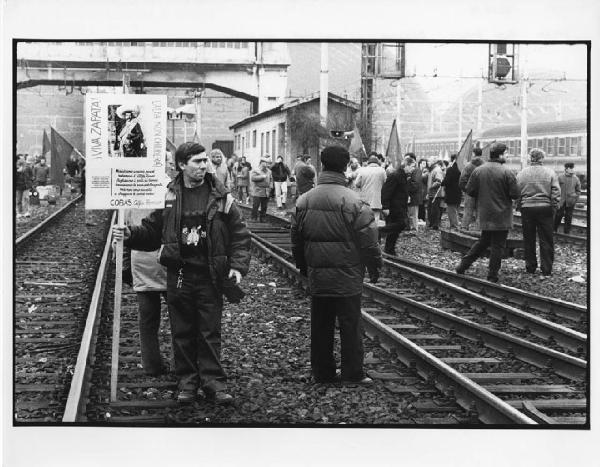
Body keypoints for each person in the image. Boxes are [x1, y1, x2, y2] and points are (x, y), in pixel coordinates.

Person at [112, 142, 251, 404]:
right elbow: (153, 232)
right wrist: (130, 235)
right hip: (179, 275)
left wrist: (237, 266)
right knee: (182, 331)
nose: (204, 165)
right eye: (197, 161)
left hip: (210, 275)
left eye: (205, 161)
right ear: (182, 165)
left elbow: (240, 234)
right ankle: (187, 381)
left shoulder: (221, 197)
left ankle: (213, 382)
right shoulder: (170, 196)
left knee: (210, 331)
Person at [291, 145, 382, 385]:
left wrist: (304, 268)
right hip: (349, 276)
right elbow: (369, 243)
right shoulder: (354, 202)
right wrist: (374, 268)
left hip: (318, 276)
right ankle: (353, 372)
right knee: (351, 325)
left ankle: (322, 372)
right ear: (345, 167)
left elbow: (297, 242)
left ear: (321, 164)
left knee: (320, 324)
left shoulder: (304, 200)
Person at [455, 143, 520, 283]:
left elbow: (470, 190)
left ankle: (463, 265)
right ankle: (492, 275)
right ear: (501, 155)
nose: (507, 156)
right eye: (506, 153)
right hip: (502, 215)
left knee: (483, 241)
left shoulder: (479, 171)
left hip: (485, 213)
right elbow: (515, 194)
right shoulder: (507, 172)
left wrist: (483, 196)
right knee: (498, 245)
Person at [516, 149, 561, 276]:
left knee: (529, 238)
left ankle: (530, 267)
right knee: (546, 239)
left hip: (527, 208)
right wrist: (554, 207)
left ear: (530, 158)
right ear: (542, 158)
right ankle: (546, 269)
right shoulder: (550, 172)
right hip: (545, 208)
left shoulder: (522, 173)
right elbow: (556, 192)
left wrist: (520, 205)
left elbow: (516, 192)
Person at [380, 156, 409, 255]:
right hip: (394, 208)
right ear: (406, 166)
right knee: (401, 224)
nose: (414, 169)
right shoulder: (395, 175)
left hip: (399, 207)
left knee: (394, 232)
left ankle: (389, 249)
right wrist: (385, 206)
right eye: (413, 166)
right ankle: (379, 231)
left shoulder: (403, 176)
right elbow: (386, 191)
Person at [355, 155, 387, 225]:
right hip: (377, 201)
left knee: (365, 222)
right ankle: (375, 235)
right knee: (376, 221)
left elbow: (357, 184)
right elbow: (386, 183)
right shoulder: (382, 170)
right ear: (377, 163)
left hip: (365, 201)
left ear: (368, 163)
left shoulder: (363, 170)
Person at [459, 147, 484, 231]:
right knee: (480, 212)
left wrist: (466, 190)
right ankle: (478, 230)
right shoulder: (485, 166)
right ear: (481, 154)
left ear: (473, 154)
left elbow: (462, 180)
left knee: (468, 211)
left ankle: (464, 228)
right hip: (481, 193)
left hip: (470, 193)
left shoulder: (468, 166)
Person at [554, 162, 581, 234]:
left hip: (570, 201)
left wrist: (575, 199)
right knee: (558, 215)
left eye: (571, 168)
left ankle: (566, 232)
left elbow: (578, 190)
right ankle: (554, 229)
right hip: (561, 201)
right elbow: (555, 189)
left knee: (568, 217)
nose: (570, 169)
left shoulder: (576, 179)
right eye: (569, 168)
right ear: (565, 169)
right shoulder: (560, 177)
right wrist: (556, 199)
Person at [442, 154, 462, 229]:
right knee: (455, 210)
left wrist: (442, 182)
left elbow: (447, 181)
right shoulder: (459, 169)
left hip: (451, 194)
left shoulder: (450, 169)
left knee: (451, 211)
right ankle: (454, 224)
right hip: (458, 193)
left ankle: (454, 225)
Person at [250, 156, 273, 222]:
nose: (268, 164)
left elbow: (271, 180)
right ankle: (253, 218)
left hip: (266, 191)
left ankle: (262, 218)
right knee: (256, 205)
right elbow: (253, 178)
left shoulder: (269, 171)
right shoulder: (256, 170)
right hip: (258, 191)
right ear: (261, 163)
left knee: (264, 206)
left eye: (268, 163)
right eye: (266, 163)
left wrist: (271, 186)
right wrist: (261, 177)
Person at [404, 154, 422, 232]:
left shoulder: (417, 171)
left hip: (413, 196)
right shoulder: (410, 170)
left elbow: (415, 184)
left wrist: (407, 188)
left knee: (413, 214)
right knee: (409, 213)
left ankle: (414, 228)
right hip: (409, 195)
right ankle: (409, 227)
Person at [426, 160, 445, 230]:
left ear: (433, 162)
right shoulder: (432, 170)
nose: (428, 162)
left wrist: (431, 187)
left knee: (435, 209)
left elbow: (438, 181)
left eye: (429, 161)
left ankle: (435, 224)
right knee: (430, 209)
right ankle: (431, 223)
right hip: (431, 193)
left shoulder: (437, 170)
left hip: (436, 194)